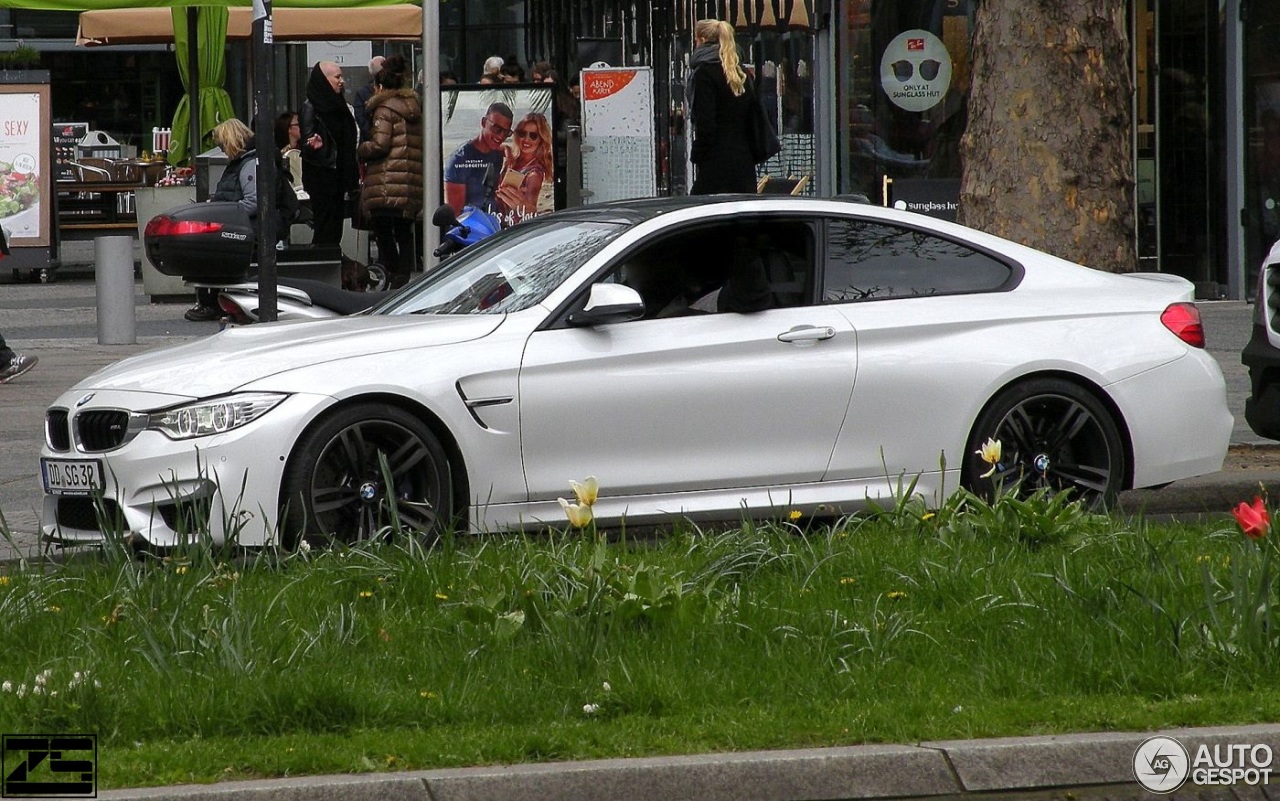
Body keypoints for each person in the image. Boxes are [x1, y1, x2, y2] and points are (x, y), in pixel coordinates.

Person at [185, 118, 262, 322]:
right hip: (237, 222)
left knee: (206, 247)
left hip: (242, 226)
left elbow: (253, 201)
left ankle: (209, 302)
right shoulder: (243, 162)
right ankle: (209, 301)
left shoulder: (247, 164)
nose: (221, 150)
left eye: (221, 145)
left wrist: (224, 213)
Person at [358, 55, 424, 289]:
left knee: (382, 227)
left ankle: (394, 273)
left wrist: (361, 149)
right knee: (404, 230)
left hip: (387, 178)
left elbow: (380, 145)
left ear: (380, 86)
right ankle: (404, 274)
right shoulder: (414, 107)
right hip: (410, 178)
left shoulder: (384, 109)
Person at [687, 18, 756, 195]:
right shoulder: (741, 73)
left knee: (699, 213)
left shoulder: (704, 73)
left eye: (695, 40)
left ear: (701, 40)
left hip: (716, 160)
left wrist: (698, 153)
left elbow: (706, 123)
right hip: (743, 161)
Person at [300, 60, 360, 246]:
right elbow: (306, 142)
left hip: (340, 175)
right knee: (325, 225)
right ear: (324, 80)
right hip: (322, 175)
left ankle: (331, 260)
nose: (341, 81)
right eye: (337, 77)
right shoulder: (311, 106)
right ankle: (322, 261)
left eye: (341, 76)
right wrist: (313, 145)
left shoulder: (339, 105)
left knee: (336, 226)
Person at [443, 101, 513, 217]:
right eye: (496, 129)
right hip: (473, 228)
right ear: (484, 122)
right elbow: (456, 216)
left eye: (506, 132)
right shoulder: (459, 161)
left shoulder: (497, 153)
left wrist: (508, 150)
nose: (501, 136)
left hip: (495, 222)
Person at [495, 112, 553, 226]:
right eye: (522, 133)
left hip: (509, 224)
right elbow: (489, 145)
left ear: (541, 140)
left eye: (533, 136)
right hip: (496, 217)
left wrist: (524, 206)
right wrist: (506, 148)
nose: (526, 139)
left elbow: (530, 208)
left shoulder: (534, 174)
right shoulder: (514, 157)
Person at [353, 55, 385, 143]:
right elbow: (362, 121)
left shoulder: (362, 93)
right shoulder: (363, 93)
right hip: (372, 142)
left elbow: (361, 120)